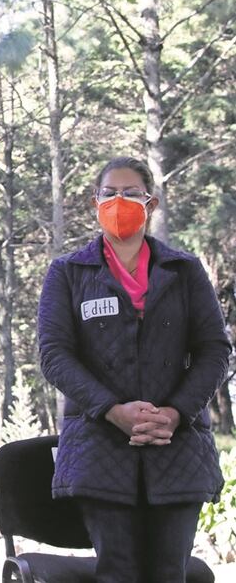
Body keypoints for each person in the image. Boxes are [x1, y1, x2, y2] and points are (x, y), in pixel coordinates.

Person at [38, 156, 231, 582]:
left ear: (152, 203)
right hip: (98, 447)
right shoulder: (68, 273)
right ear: (95, 203)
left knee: (169, 572)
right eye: (109, 193)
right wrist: (112, 409)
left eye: (130, 193)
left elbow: (215, 349)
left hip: (176, 445)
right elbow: (54, 354)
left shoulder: (185, 271)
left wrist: (176, 413)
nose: (119, 201)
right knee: (119, 571)